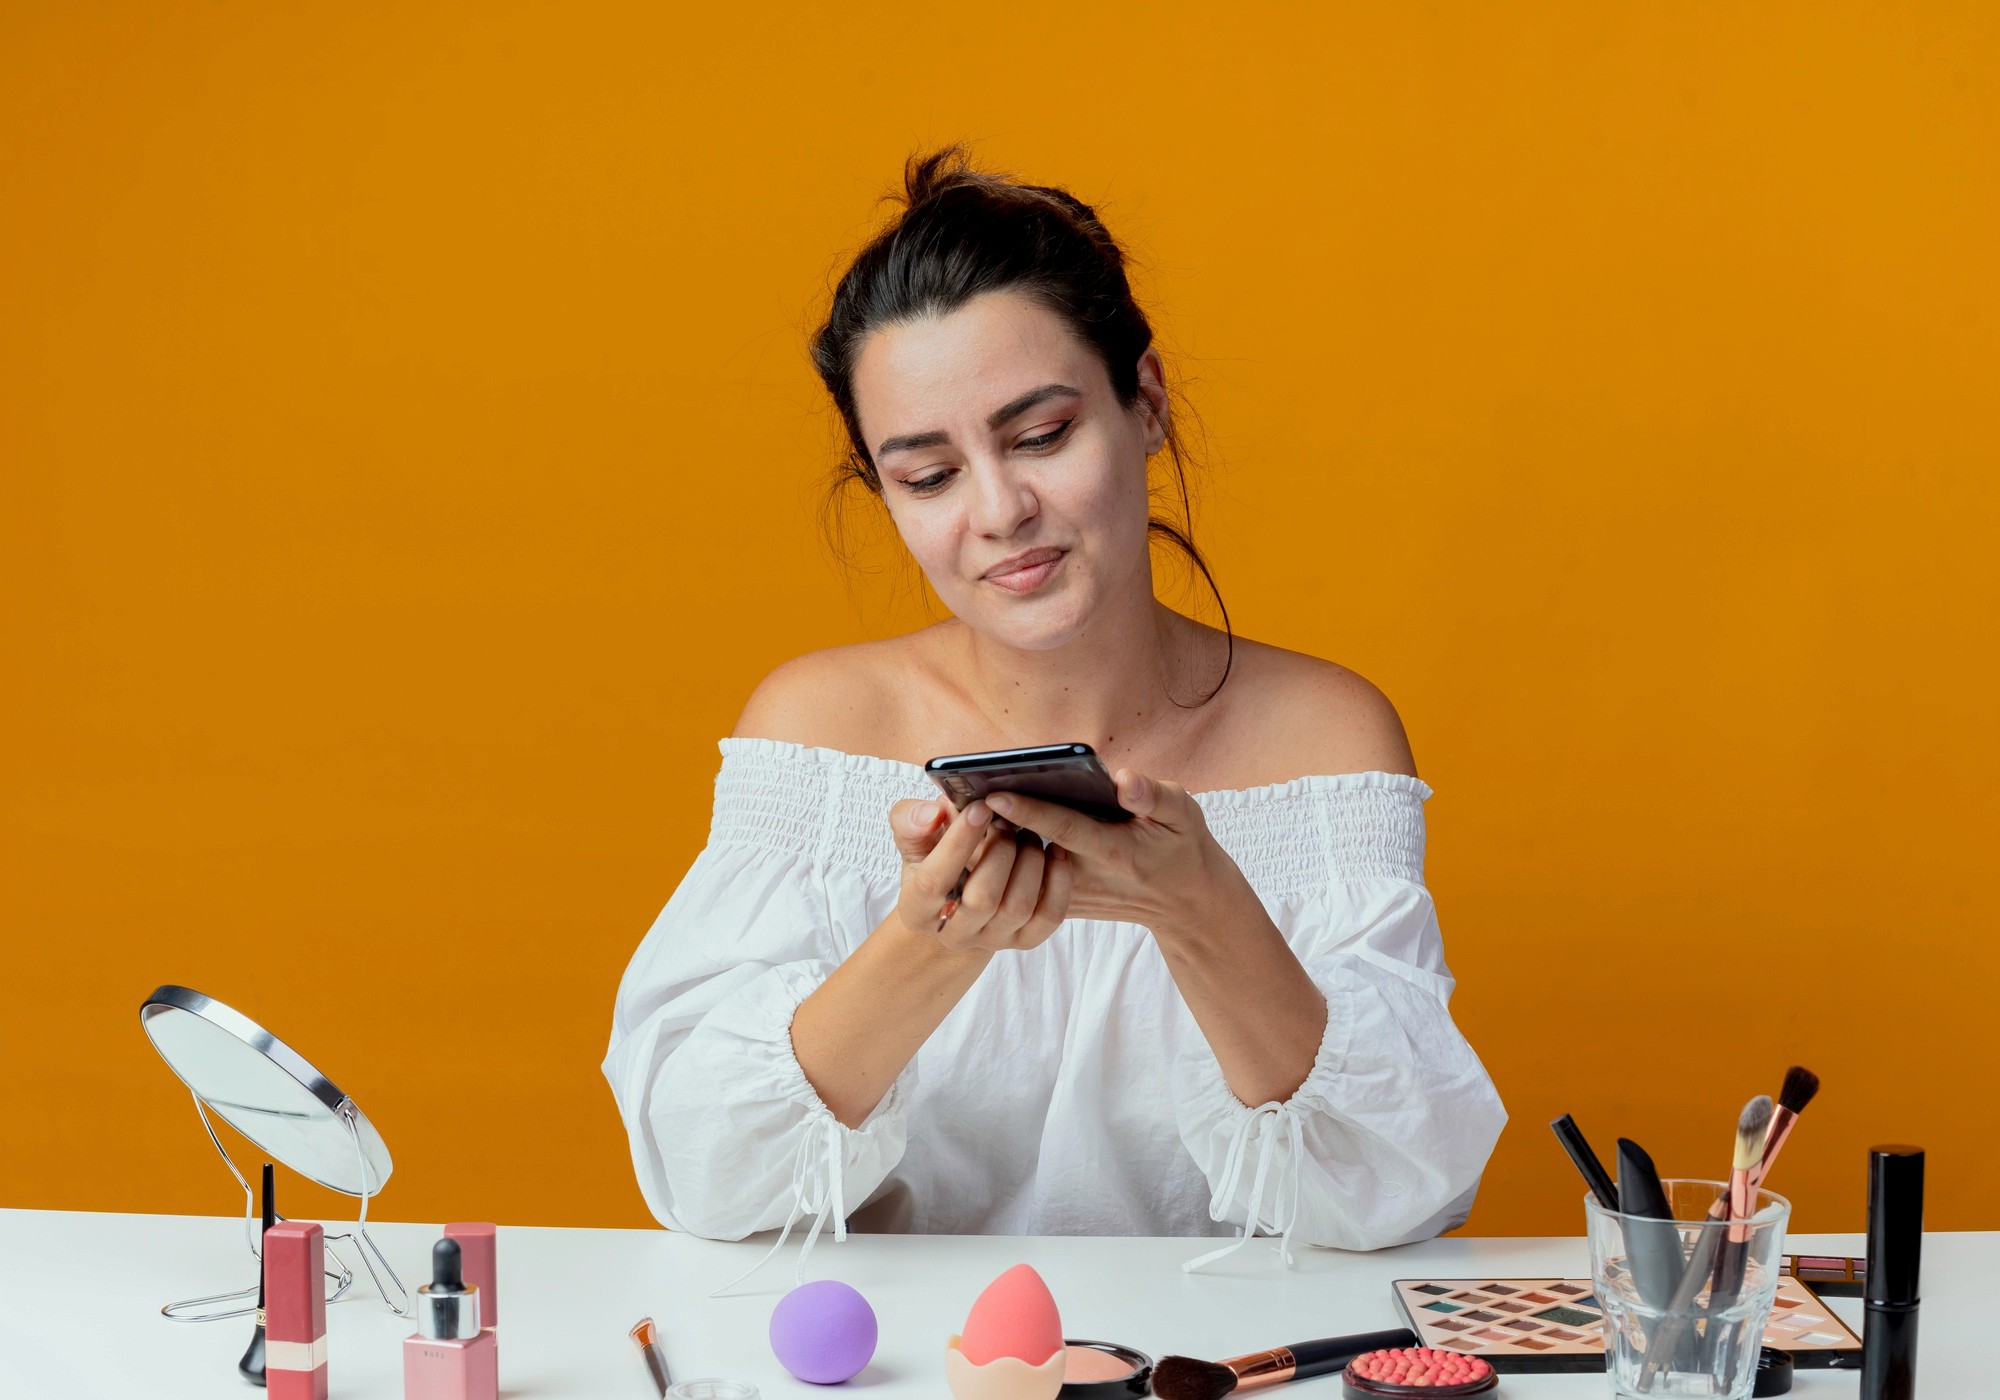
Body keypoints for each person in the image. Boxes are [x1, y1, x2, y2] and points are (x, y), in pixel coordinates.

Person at [602, 148, 1505, 1274]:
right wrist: (927, 944)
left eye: (1039, 435)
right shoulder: (817, 724)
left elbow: (1396, 1189)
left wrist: (1202, 908)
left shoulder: (1325, 737)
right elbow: (704, 1179)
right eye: (928, 476)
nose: (1000, 509)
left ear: (1147, 402)